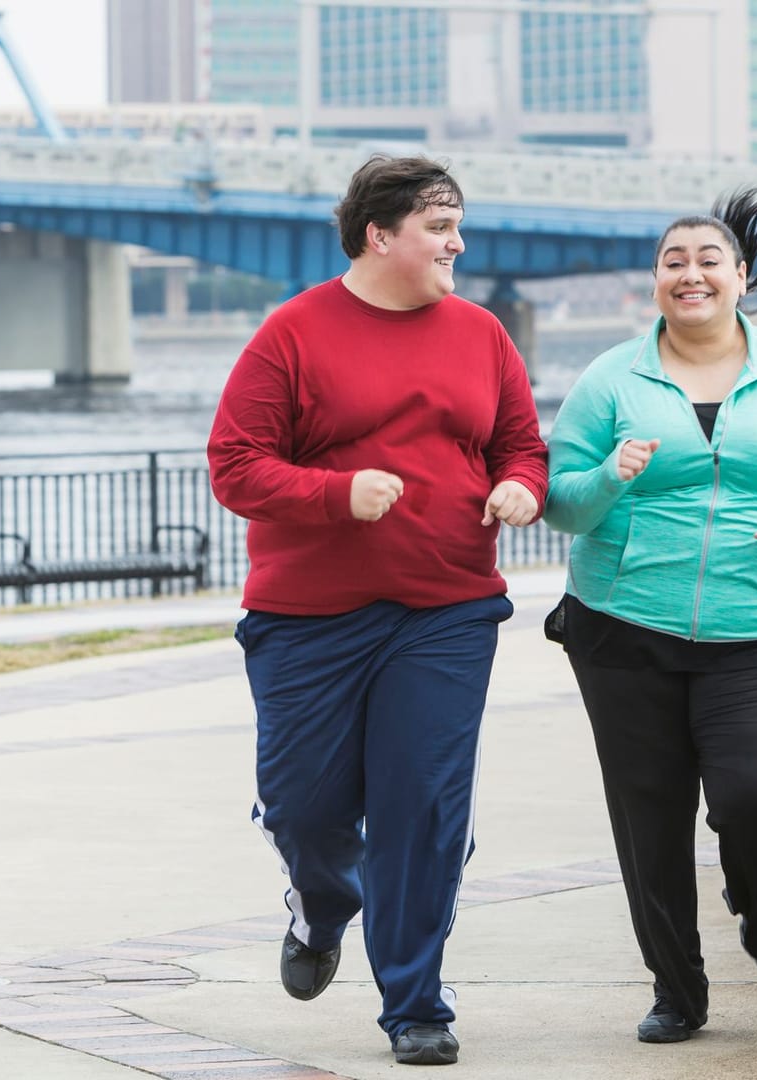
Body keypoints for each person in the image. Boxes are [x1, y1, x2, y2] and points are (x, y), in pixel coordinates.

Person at [208, 155, 549, 1067]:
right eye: (440, 226)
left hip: (447, 610)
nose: (458, 243)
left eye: (458, 224)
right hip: (308, 618)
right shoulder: (291, 334)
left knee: (423, 809)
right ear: (380, 234)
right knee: (304, 810)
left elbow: (523, 445)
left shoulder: (481, 334)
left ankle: (416, 1006)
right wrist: (333, 494)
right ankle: (322, 905)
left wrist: (520, 487)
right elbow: (233, 466)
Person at [543, 187, 757, 1044]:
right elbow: (561, 502)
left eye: (707, 261)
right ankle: (676, 991)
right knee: (649, 816)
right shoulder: (612, 378)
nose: (689, 274)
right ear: (655, 282)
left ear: (742, 276)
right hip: (623, 626)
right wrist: (610, 478)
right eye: (672, 262)